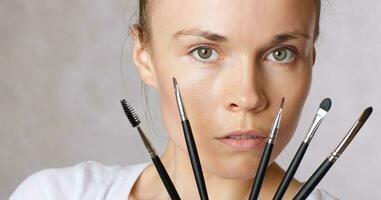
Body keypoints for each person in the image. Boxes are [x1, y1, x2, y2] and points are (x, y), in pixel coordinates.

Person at [11, 0, 338, 199]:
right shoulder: (55, 195)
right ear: (144, 56)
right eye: (204, 52)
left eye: (281, 54)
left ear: (311, 58)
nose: (247, 97)